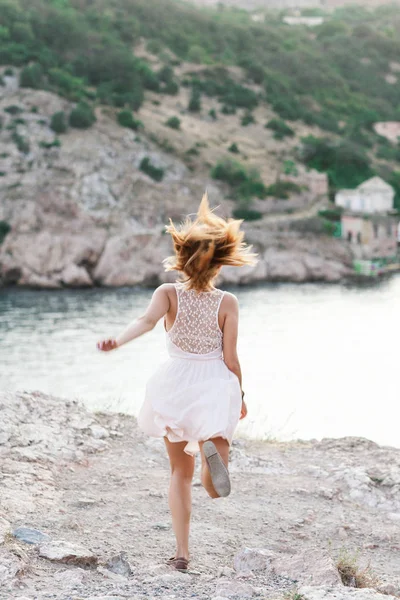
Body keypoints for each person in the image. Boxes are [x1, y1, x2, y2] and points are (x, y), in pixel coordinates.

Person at [96, 193, 257, 572]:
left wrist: (117, 341)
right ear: (219, 262)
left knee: (177, 474)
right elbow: (231, 359)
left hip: (176, 384)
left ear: (181, 258)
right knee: (215, 482)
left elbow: (145, 322)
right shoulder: (227, 302)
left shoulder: (167, 294)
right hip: (216, 384)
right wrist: (241, 396)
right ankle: (211, 461)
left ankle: (181, 554)